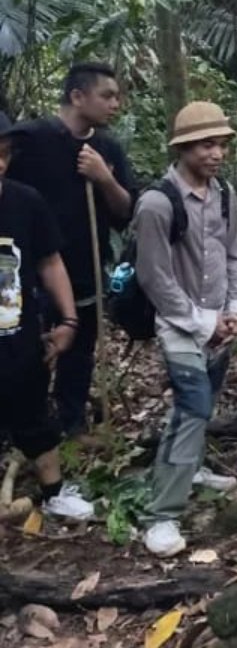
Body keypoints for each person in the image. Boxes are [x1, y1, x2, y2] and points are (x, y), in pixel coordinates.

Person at [133, 101, 237, 556]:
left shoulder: (224, 195)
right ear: (182, 148)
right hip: (181, 326)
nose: (216, 153)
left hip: (221, 319)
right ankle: (161, 515)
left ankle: (192, 466)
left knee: (207, 397)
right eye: (206, 144)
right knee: (193, 406)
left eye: (221, 144)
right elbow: (155, 277)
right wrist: (204, 323)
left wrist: (235, 307)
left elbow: (236, 253)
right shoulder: (157, 204)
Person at [6, 63, 136, 442]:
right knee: (22, 350)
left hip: (86, 266)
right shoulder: (28, 139)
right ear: (78, 97)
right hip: (24, 270)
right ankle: (21, 429)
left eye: (117, 96)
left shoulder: (107, 149)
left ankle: (71, 422)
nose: (116, 104)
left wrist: (104, 177)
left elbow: (126, 209)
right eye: (107, 95)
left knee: (79, 351)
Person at [0, 112, 95, 519]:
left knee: (35, 411)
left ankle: (55, 492)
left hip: (18, 335)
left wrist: (69, 320)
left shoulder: (24, 201)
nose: (0, 163)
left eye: (3, 154)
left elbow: (50, 261)